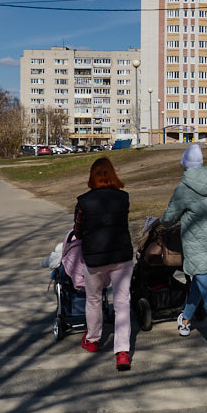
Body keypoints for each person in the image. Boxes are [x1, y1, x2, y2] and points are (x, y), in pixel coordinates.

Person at [163, 143, 207, 356]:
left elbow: (169, 217)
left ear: (185, 165)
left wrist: (161, 222)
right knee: (200, 282)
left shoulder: (184, 188)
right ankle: (185, 320)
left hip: (196, 243)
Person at [73, 157, 134, 369]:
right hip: (121, 257)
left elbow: (78, 230)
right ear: (113, 175)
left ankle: (92, 340)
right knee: (122, 302)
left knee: (93, 299)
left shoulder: (83, 201)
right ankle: (123, 352)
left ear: (92, 177)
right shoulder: (123, 198)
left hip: (95, 258)